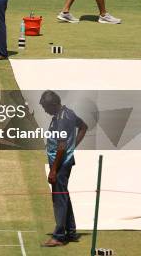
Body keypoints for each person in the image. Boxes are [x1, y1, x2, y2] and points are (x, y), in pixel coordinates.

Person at [39, 90, 88, 247]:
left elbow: (61, 145)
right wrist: (72, 147)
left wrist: (53, 170)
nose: (44, 110)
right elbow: (83, 127)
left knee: (59, 198)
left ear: (53, 104)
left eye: (46, 107)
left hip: (60, 165)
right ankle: (71, 232)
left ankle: (59, 236)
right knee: (63, 194)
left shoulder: (62, 118)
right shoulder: (69, 113)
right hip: (62, 163)